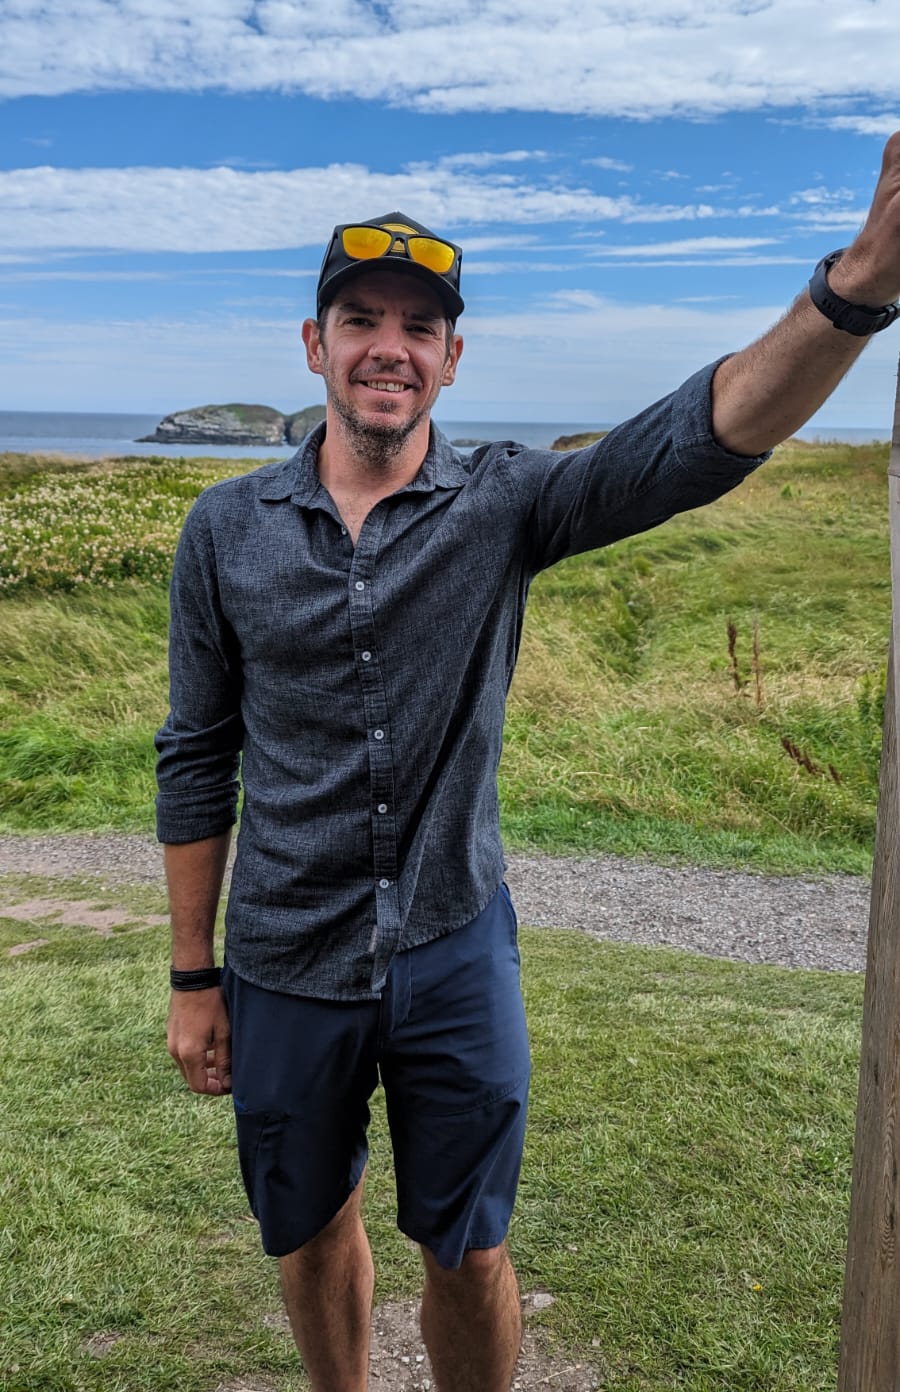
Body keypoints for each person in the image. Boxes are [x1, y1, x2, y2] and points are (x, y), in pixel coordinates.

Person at [158, 139, 900, 1392]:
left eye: (418, 327)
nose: (388, 346)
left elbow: (691, 442)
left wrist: (858, 286)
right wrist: (193, 974)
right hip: (286, 954)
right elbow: (196, 756)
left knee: (470, 1245)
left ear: (453, 357)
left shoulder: (505, 503)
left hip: (454, 944)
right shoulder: (222, 531)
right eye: (360, 320)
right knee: (308, 1225)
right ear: (313, 343)